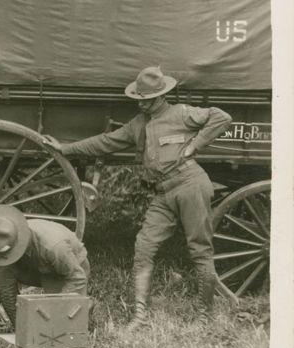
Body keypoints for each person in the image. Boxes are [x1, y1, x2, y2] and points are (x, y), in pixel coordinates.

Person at [42, 65, 231, 327]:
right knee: (143, 249)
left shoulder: (181, 113)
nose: (141, 105)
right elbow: (106, 141)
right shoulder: (138, 125)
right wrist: (65, 148)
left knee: (200, 250)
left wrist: (195, 146)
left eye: (147, 100)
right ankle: (140, 316)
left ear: (161, 96)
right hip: (163, 193)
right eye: (139, 99)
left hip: (191, 185)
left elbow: (221, 117)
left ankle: (205, 315)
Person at [0, 205, 90, 330]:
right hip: (34, 266)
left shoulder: (54, 247)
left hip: (63, 271)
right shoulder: (2, 238)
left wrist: (56, 307)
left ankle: (86, 305)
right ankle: (21, 326)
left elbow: (77, 277)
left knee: (59, 325)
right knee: (1, 271)